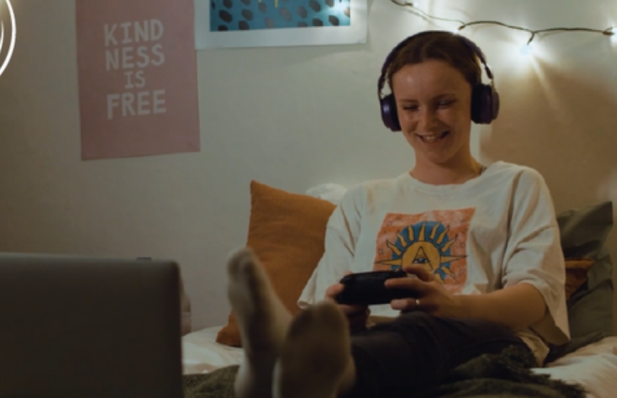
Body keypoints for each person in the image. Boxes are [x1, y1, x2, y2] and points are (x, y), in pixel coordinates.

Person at [226, 31, 570, 398]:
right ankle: (295, 368)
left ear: (480, 102)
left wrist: (454, 305)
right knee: (373, 338)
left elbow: (536, 298)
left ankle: (297, 369)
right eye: (410, 107)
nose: (426, 121)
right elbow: (331, 301)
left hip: (485, 336)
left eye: (443, 103)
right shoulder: (361, 201)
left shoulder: (517, 184)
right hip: (377, 341)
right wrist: (342, 318)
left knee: (422, 327)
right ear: (392, 113)